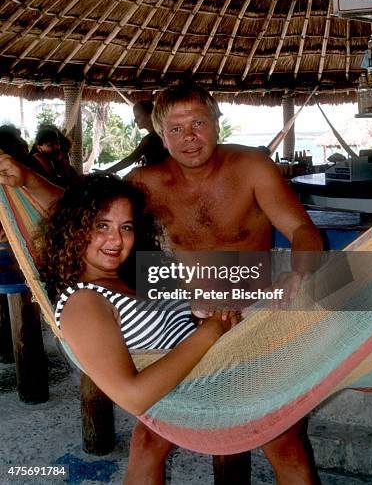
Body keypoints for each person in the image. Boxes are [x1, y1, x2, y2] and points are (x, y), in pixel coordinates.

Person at [0, 83, 322, 484]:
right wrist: (28, 180)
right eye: (176, 128)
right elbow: (85, 218)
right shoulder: (147, 182)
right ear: (159, 134)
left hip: (254, 315)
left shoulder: (252, 167)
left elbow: (303, 231)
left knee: (284, 440)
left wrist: (300, 272)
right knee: (148, 443)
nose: (190, 137)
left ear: (216, 123)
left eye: (199, 123)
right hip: (186, 317)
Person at [37, 173, 236, 484]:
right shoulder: (84, 302)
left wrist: (202, 311)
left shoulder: (131, 274)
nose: (116, 240)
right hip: (214, 378)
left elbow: (181, 314)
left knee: (147, 444)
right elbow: (134, 397)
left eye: (125, 227)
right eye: (101, 225)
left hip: (225, 359)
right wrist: (209, 333)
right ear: (75, 228)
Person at [107, 101, 168, 174]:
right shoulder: (164, 134)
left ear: (150, 116)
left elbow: (130, 159)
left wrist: (106, 171)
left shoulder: (150, 139)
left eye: (138, 117)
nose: (135, 120)